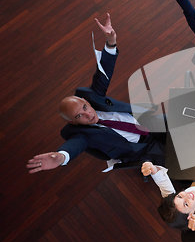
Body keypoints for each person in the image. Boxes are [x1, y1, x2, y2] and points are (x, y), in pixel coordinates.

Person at [26, 14, 166, 174]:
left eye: (85, 107)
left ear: (86, 101)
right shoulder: (81, 134)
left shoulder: (92, 96)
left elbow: (103, 73)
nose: (87, 114)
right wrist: (61, 156)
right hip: (142, 150)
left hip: (149, 121)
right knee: (181, 164)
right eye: (79, 116)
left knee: (188, 125)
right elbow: (74, 145)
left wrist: (111, 43)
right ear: (73, 123)